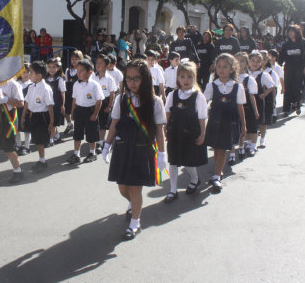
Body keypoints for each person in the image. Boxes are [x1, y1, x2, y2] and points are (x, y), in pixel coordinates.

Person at [103, 59, 167, 240]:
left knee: (134, 187)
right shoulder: (121, 99)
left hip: (142, 149)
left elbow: (160, 130)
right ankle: (134, 204)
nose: (132, 82)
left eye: (137, 78)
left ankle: (135, 222)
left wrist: (162, 153)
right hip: (123, 148)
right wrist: (107, 145)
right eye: (129, 78)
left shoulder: (155, 102)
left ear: (145, 79)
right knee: (122, 186)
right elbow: (115, 123)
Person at [163, 61, 208, 202]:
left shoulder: (198, 96)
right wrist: (165, 127)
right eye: (182, 77)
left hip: (190, 133)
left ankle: (194, 179)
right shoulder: (173, 94)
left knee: (188, 160)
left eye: (189, 77)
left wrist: (202, 133)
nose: (186, 80)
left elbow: (202, 117)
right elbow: (168, 112)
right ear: (178, 78)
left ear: (194, 77)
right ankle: (172, 190)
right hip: (175, 132)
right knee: (173, 161)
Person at [204, 53, 246, 192]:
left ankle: (217, 176)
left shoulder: (237, 87)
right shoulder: (211, 86)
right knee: (217, 148)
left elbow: (240, 106)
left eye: (225, 67)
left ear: (232, 69)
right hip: (215, 121)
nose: (221, 70)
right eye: (219, 67)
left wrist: (243, 126)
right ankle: (218, 171)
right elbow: (204, 102)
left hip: (229, 122)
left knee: (222, 148)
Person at [66, 59, 104, 164]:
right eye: (77, 70)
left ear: (90, 72)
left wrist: (95, 114)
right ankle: (76, 154)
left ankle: (92, 153)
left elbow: (99, 100)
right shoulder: (76, 84)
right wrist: (73, 112)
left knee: (92, 133)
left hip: (90, 111)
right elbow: (74, 99)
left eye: (82, 70)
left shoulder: (95, 85)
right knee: (77, 133)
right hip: (79, 110)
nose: (78, 73)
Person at [20, 61, 54, 172]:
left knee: (40, 140)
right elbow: (27, 103)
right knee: (36, 139)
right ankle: (41, 159)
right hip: (33, 115)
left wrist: (51, 122)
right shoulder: (31, 87)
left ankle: (42, 161)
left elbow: (50, 106)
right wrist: (23, 117)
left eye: (31, 72)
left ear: (39, 75)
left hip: (42, 116)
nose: (28, 75)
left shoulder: (45, 88)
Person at [278, 25, 305, 116]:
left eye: (292, 31)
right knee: (287, 87)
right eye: (289, 31)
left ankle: (297, 106)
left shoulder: (303, 42)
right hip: (288, 68)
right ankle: (286, 109)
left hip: (299, 68)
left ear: (296, 32)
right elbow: (281, 57)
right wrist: (278, 65)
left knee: (297, 87)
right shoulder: (286, 44)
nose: (290, 33)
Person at [234, 52, 259, 161]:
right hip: (235, 108)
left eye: (242, 61)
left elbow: (252, 96)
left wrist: (256, 110)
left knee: (251, 127)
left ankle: (252, 146)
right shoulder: (231, 78)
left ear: (247, 63)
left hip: (247, 107)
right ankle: (241, 145)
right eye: (237, 61)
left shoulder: (249, 79)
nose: (239, 63)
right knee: (239, 128)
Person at [93, 54, 117, 154]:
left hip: (105, 101)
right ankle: (94, 142)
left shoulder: (109, 79)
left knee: (103, 123)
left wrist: (109, 106)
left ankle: (100, 143)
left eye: (101, 63)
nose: (98, 65)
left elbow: (112, 93)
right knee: (95, 123)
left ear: (106, 65)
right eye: (97, 63)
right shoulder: (92, 77)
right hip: (94, 102)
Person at [46, 58, 66, 147]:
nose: (51, 69)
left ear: (58, 68)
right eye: (49, 67)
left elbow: (63, 93)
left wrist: (63, 105)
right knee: (50, 120)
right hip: (47, 103)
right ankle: (57, 136)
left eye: (53, 67)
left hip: (56, 103)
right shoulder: (46, 78)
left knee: (53, 122)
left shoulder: (60, 79)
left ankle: (50, 140)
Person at [64, 50, 83, 135]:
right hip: (68, 94)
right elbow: (65, 82)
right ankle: (69, 124)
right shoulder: (68, 70)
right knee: (66, 110)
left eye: (76, 59)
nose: (74, 60)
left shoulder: (82, 70)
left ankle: (78, 126)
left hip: (78, 94)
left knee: (77, 111)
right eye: (72, 59)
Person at [16, 64, 33, 156]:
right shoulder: (17, 84)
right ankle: (18, 145)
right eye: (23, 72)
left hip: (27, 109)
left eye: (27, 72)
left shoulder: (31, 84)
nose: (25, 74)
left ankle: (27, 147)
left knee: (27, 129)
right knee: (17, 128)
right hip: (17, 108)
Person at [268, 49, 284, 123]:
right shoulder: (266, 66)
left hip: (274, 86)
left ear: (274, 57)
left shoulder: (277, 67)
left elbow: (281, 78)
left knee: (273, 100)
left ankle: (274, 115)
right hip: (267, 86)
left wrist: (283, 87)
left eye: (269, 55)